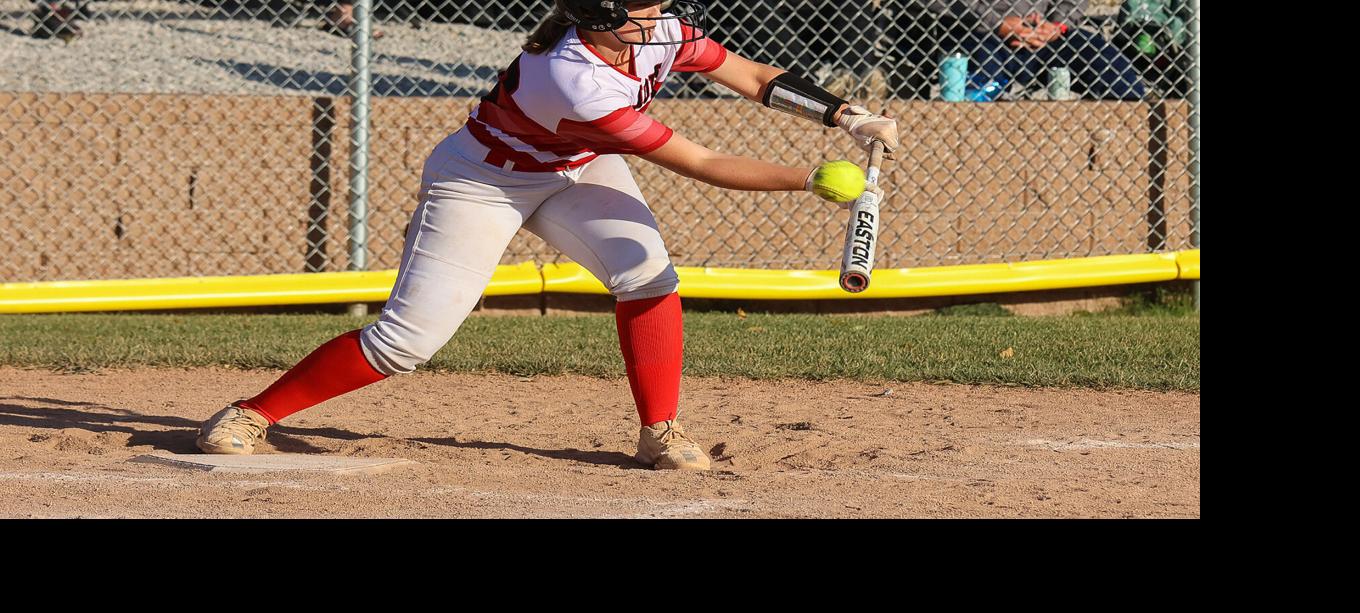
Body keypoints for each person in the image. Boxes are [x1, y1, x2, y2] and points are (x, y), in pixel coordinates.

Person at [194, 0, 899, 471]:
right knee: (406, 342)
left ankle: (659, 431)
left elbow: (746, 73)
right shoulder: (572, 77)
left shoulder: (656, 32)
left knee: (646, 274)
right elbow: (702, 163)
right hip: (483, 179)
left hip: (577, 169)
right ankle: (251, 413)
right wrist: (811, 181)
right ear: (598, 17)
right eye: (639, 8)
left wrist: (846, 116)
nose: (658, 18)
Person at [954, 0, 1144, 100]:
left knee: (1117, 75)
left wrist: (1057, 24)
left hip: (1045, 34)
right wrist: (996, 23)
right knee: (979, 94)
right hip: (979, 32)